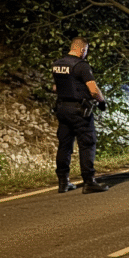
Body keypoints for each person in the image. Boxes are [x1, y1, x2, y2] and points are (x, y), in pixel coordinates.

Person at [52, 37, 109, 194]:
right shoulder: (81, 66)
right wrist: (102, 101)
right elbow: (93, 89)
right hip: (79, 111)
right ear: (82, 50)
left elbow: (56, 87)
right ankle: (89, 182)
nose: (86, 54)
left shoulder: (58, 64)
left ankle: (63, 182)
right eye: (86, 51)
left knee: (64, 145)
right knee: (87, 144)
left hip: (62, 109)